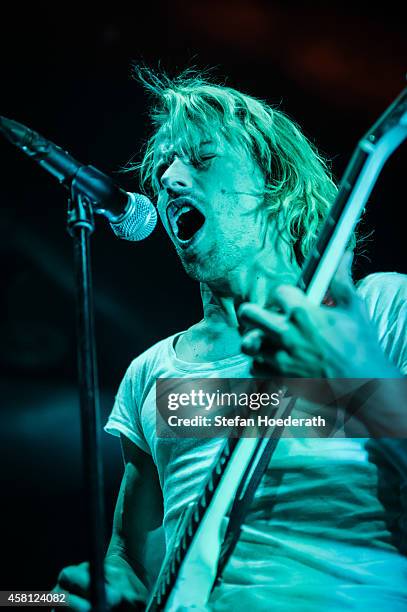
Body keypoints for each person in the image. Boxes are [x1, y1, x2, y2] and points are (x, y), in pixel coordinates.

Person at [54, 69, 407, 611]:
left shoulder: (383, 308)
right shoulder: (151, 371)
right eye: (165, 166)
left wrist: (356, 373)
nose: (169, 178)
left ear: (277, 183)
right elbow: (131, 555)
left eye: (200, 158)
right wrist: (112, 588)